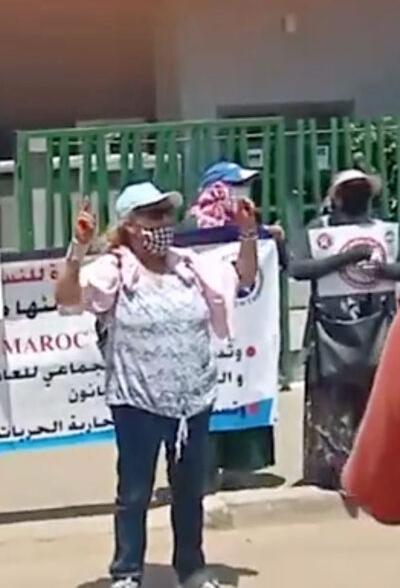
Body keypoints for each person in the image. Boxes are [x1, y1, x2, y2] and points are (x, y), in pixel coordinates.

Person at [55, 181, 258, 588]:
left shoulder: (191, 266)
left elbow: (245, 276)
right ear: (130, 225)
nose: (163, 222)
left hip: (192, 401)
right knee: (134, 494)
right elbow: (67, 297)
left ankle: (192, 570)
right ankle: (127, 572)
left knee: (189, 493)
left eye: (167, 213)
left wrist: (248, 234)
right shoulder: (114, 269)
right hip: (137, 403)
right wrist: (78, 250)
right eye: (153, 215)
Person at [289, 169, 400, 490]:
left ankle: (378, 472)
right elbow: (299, 268)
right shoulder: (317, 231)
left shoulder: (386, 232)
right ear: (334, 197)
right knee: (330, 403)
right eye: (349, 189)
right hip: (329, 329)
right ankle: (331, 473)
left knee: (374, 403)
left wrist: (383, 269)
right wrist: (347, 257)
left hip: (378, 325)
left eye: (361, 189)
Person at [186, 161, 280, 492]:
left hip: (240, 342)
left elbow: (249, 275)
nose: (243, 194)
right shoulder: (191, 235)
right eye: (235, 186)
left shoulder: (251, 230)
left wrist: (256, 233)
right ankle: (202, 471)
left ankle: (238, 464)